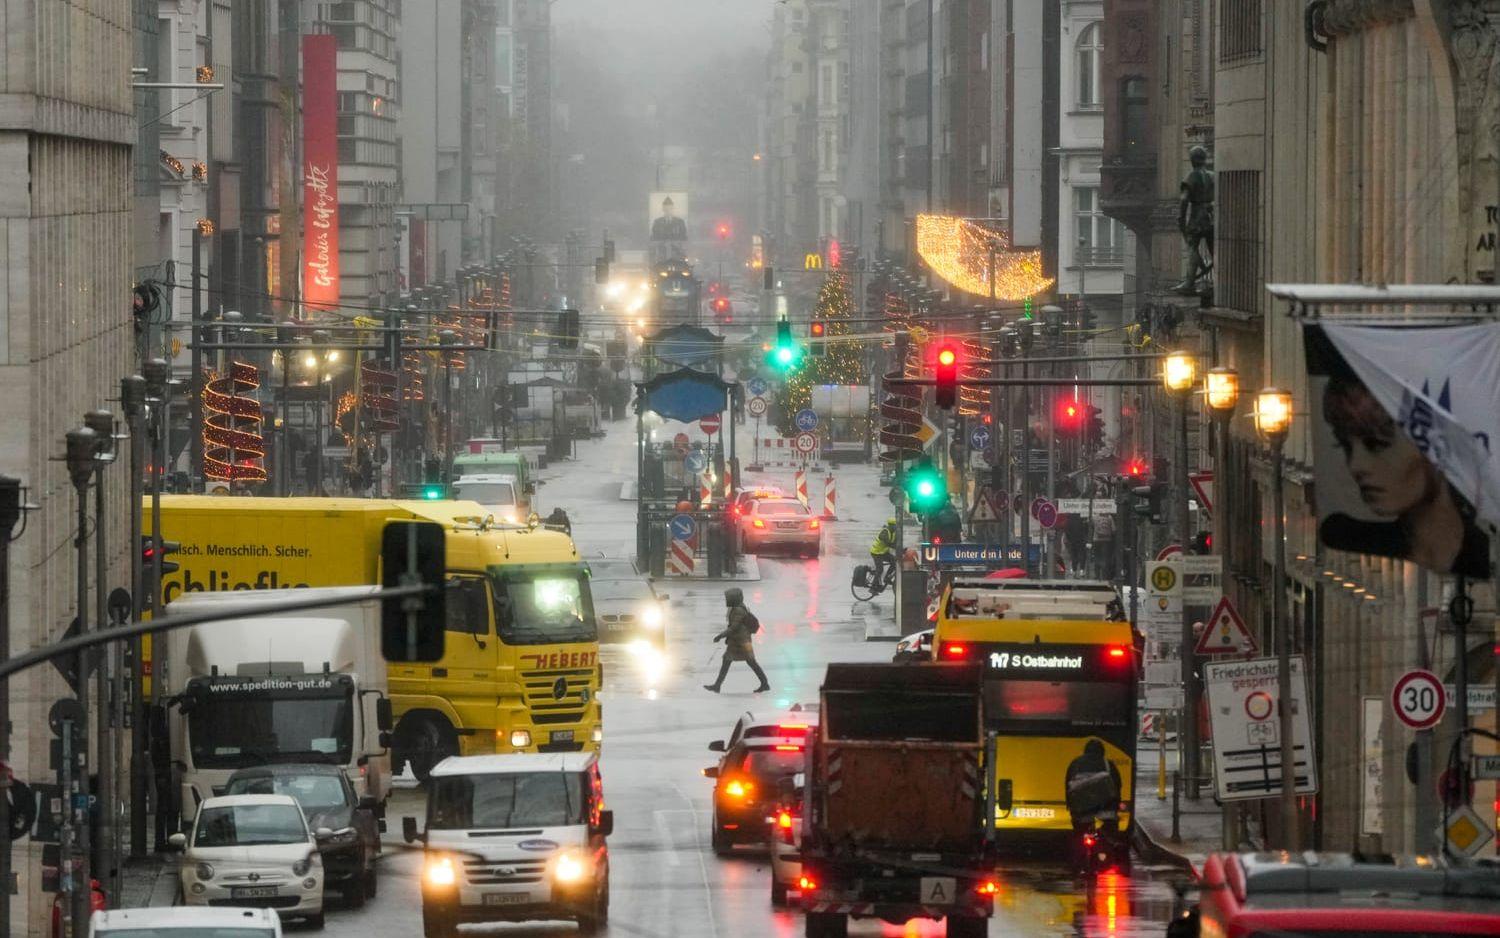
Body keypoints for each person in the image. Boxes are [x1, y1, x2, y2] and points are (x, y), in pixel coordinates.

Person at [1319, 370, 1489, 577]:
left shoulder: (1485, 554)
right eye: (1347, 446)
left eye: (1377, 444)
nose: (1356, 465)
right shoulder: (1350, 540)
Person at [704, 587, 770, 693]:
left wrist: (720, 636)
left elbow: (733, 627)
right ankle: (717, 685)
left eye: (728, 598)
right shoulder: (738, 608)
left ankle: (764, 683)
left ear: (734, 599)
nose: (727, 600)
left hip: (741, 642)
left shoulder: (738, 611)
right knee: (730, 660)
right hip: (738, 641)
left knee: (750, 662)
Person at [1064, 738, 1122, 834]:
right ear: (1102, 751)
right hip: (1106, 807)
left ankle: (1079, 840)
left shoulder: (1075, 763)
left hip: (1082, 809)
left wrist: (1069, 805)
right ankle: (1108, 840)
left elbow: (1068, 786)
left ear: (1085, 751)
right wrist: (1116, 804)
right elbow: (1117, 785)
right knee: (1110, 830)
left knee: (1079, 830)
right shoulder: (1108, 764)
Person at [869, 518, 899, 588]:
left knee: (894, 562)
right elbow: (887, 543)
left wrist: (901, 548)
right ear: (890, 525)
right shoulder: (885, 532)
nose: (896, 527)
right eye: (895, 525)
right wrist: (896, 547)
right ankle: (873, 586)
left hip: (883, 553)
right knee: (880, 569)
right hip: (876, 553)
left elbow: (895, 543)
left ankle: (886, 578)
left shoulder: (894, 533)